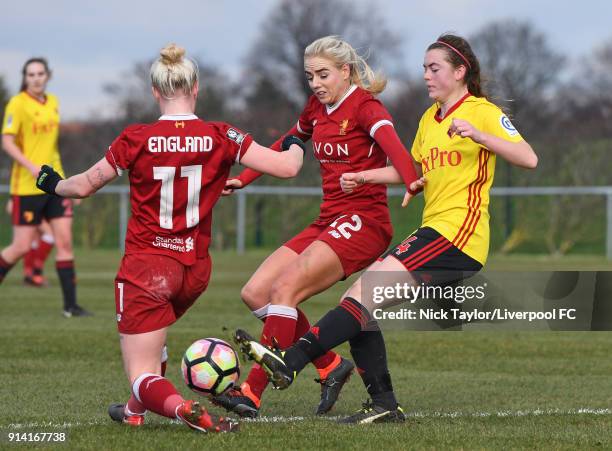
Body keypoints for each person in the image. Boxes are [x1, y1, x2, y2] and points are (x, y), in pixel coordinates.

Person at [233, 33, 538, 423]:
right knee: (359, 304)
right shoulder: (431, 118)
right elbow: (415, 169)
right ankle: (384, 405)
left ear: (461, 72)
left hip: (458, 235)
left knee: (360, 299)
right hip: (435, 230)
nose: (426, 76)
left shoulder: (480, 111)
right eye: (424, 69)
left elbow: (528, 157)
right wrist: (365, 176)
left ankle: (290, 361)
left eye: (435, 68)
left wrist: (480, 134)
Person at [36, 43, 306, 433]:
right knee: (153, 343)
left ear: (154, 91)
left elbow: (84, 186)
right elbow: (286, 168)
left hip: (147, 269)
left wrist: (53, 184)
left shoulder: (136, 138)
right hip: (193, 271)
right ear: (195, 87)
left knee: (141, 373)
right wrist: (297, 141)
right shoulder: (221, 134)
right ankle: (133, 412)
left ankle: (184, 411)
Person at [214, 35, 419, 418]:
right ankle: (329, 366)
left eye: (323, 75)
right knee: (257, 292)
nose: (316, 84)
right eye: (310, 77)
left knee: (285, 288)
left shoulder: (366, 107)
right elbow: (284, 141)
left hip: (365, 222)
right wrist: (243, 180)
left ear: (345, 71)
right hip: (329, 219)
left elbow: (401, 155)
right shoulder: (316, 108)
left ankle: (251, 392)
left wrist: (411, 181)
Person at [0, 57, 87, 316]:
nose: (36, 78)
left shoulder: (54, 103)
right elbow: (7, 142)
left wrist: (67, 183)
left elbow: (52, 149)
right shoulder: (17, 103)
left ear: (48, 75)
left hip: (53, 186)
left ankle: (71, 307)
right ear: (25, 78)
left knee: (65, 243)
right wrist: (29, 166)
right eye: (31, 74)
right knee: (21, 247)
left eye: (40, 73)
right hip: (27, 187)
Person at [5, 199, 55, 286]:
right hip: (29, 206)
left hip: (33, 206)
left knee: (34, 239)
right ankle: (36, 272)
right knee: (50, 235)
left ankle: (29, 275)